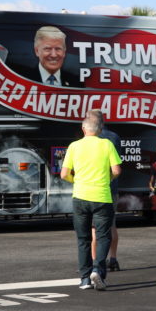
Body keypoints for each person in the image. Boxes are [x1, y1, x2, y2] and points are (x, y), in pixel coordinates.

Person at [60, 113, 121, 291]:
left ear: (83, 128)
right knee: (103, 236)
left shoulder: (74, 146)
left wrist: (76, 181)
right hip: (102, 197)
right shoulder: (107, 144)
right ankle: (98, 270)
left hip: (80, 197)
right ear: (100, 130)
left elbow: (64, 174)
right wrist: (107, 179)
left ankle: (85, 279)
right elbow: (117, 170)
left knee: (83, 239)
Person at [88, 110, 122, 272]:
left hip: (93, 188)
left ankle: (95, 262)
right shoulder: (114, 137)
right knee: (111, 225)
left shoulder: (88, 139)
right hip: (111, 187)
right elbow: (117, 164)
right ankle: (113, 259)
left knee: (95, 228)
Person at [13, 26, 82, 87]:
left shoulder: (76, 82)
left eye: (58, 49)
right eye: (47, 49)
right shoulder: (22, 79)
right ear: (37, 51)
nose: (54, 55)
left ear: (64, 52)